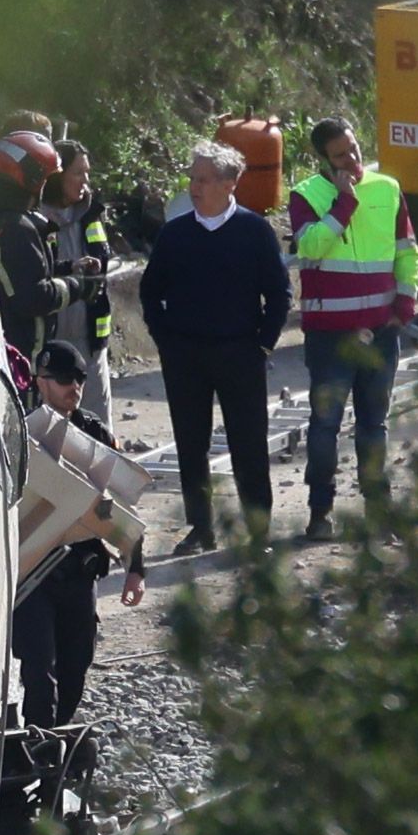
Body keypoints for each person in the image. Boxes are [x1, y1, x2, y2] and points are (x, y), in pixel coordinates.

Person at [140, 141, 292, 554]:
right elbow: (150, 292)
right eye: (191, 178)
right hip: (185, 356)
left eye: (203, 179)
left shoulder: (255, 231)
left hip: (240, 353)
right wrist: (166, 341)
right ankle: (200, 528)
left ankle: (257, 531)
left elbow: (279, 294)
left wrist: (262, 344)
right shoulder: (175, 234)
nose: (194, 186)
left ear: (230, 183)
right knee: (191, 444)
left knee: (249, 445)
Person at [289, 117, 418, 540]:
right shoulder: (306, 195)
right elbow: (308, 248)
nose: (353, 159)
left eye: (354, 148)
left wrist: (405, 301)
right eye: (341, 155)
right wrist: (343, 205)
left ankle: (377, 512)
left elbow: (407, 250)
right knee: (325, 424)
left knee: (373, 424)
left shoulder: (387, 188)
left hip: (381, 330)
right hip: (331, 335)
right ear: (325, 162)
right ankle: (320, 513)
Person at [11, 340, 146, 729]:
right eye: (64, 379)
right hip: (34, 577)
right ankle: (41, 747)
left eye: (81, 379)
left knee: (76, 667)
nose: (75, 387)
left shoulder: (93, 435)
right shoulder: (22, 433)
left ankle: (55, 743)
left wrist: (135, 568)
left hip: (79, 573)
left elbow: (122, 508)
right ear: (41, 382)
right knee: (39, 671)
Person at [0, 124, 101, 368]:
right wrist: (80, 286)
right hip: (24, 361)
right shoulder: (17, 229)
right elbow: (33, 296)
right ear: (33, 179)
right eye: (48, 178)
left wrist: (68, 267)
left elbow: (20, 273)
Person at [38, 139, 115, 425]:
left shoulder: (91, 214)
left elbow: (102, 257)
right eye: (78, 173)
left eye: (87, 173)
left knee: (97, 425)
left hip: (89, 342)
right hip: (50, 342)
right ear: (58, 176)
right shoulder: (36, 218)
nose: (85, 181)